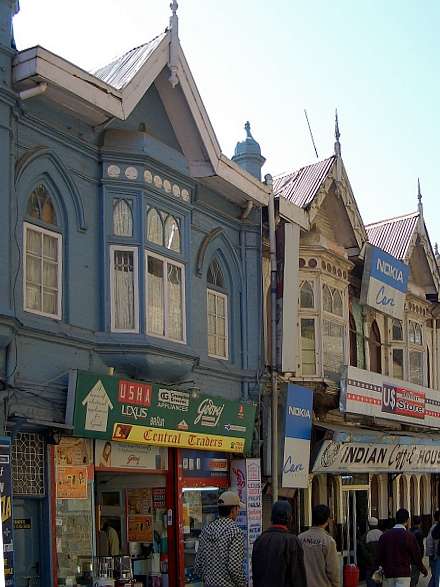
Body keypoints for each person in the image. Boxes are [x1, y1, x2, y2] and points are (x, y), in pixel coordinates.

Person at [194, 491, 246, 587]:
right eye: (238, 508)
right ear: (233, 510)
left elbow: (197, 566)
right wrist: (243, 584)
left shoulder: (206, 530)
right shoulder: (235, 532)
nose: (238, 511)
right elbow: (234, 568)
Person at [252, 500, 307, 587]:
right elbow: (298, 578)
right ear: (290, 518)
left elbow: (256, 574)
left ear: (272, 518)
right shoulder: (292, 541)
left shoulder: (259, 540)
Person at [377, 508, 427, 587]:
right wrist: (423, 569)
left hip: (388, 573)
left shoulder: (384, 536)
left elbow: (379, 555)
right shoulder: (409, 536)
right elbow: (416, 555)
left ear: (396, 519)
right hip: (403, 573)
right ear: (407, 520)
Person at [299, 504, 340, 587]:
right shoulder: (328, 541)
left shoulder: (300, 538)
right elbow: (333, 570)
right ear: (327, 520)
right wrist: (336, 584)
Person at [360, 517, 383, 587]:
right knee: (379, 582)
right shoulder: (382, 534)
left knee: (370, 582)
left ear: (369, 525)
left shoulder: (366, 535)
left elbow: (363, 551)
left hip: (369, 565)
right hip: (380, 564)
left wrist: (370, 559)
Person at [426, 510, 440, 587]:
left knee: (435, 576)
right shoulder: (436, 527)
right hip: (436, 555)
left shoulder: (434, 527)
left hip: (434, 554)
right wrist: (434, 554)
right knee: (436, 576)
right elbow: (434, 542)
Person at [410, 516, 424, 587]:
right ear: (420, 523)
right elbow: (421, 546)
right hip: (417, 554)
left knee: (413, 570)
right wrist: (421, 555)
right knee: (416, 571)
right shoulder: (419, 532)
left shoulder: (409, 530)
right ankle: (413, 584)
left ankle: (412, 584)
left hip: (409, 554)